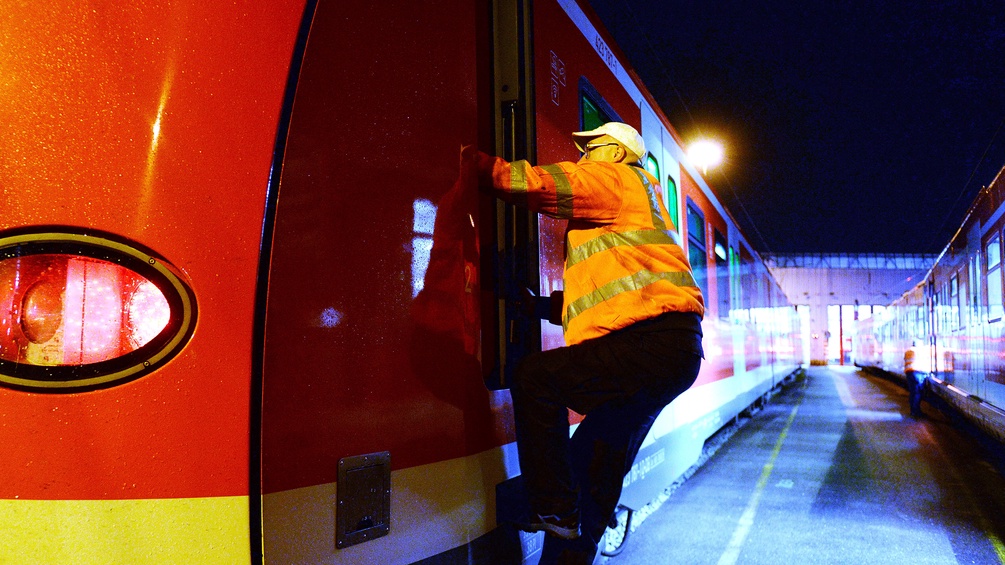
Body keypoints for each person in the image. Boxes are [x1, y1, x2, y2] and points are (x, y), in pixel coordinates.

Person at [465, 122, 704, 564]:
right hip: (671, 348)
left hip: (650, 343)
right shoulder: (641, 206)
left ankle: (552, 508)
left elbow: (538, 185)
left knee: (536, 378)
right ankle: (570, 534)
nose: (583, 159)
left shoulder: (618, 178)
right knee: (595, 470)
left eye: (591, 150)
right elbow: (614, 297)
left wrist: (470, 163)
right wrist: (539, 307)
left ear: (614, 153)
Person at [904, 342, 927, 418]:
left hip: (909, 372)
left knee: (912, 392)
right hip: (918, 372)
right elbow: (923, 362)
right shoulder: (919, 351)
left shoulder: (908, 351)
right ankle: (916, 411)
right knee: (918, 392)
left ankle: (913, 410)